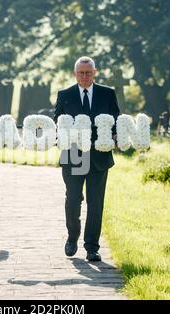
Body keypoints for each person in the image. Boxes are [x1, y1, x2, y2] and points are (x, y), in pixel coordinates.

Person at [53, 56, 120, 262]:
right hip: (73, 155)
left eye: (88, 73)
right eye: (81, 73)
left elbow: (115, 120)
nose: (84, 76)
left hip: (99, 158)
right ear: (75, 74)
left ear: (95, 73)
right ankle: (72, 237)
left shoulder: (107, 94)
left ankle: (92, 247)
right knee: (73, 199)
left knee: (96, 202)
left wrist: (117, 136)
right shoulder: (64, 95)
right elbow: (58, 121)